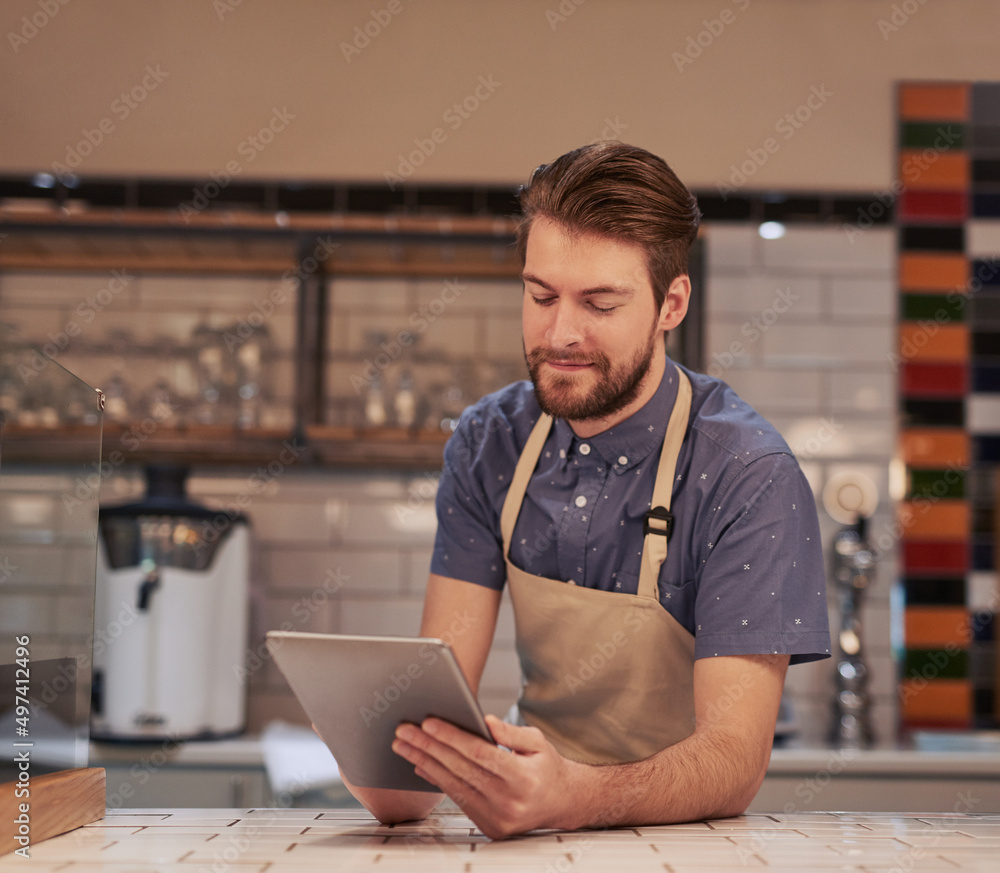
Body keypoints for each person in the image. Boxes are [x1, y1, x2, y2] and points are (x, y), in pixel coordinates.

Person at [343, 142, 831, 839]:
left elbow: (734, 761)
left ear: (671, 304)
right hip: (537, 842)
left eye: (599, 303)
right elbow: (438, 691)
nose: (559, 332)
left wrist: (575, 796)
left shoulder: (746, 473)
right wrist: (399, 760)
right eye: (540, 295)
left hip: (691, 846)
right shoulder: (490, 443)